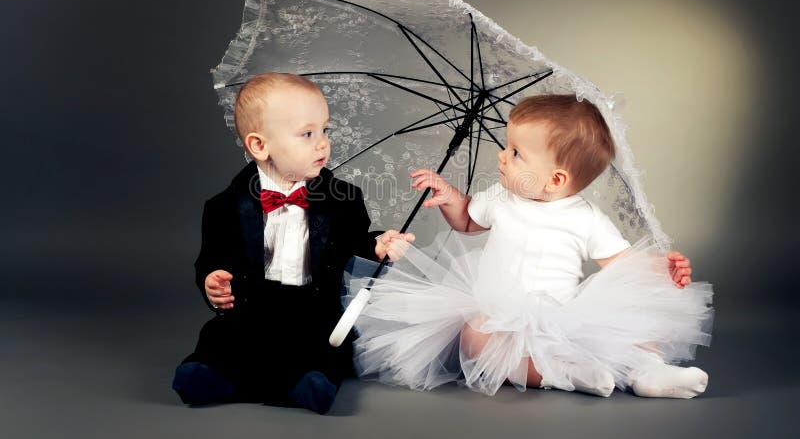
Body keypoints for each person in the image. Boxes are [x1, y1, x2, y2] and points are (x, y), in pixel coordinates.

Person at [349, 94, 713, 399]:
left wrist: (657, 266)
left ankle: (650, 371)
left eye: (517, 153)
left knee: (629, 328)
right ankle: (566, 375)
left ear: (556, 179)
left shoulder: (586, 218)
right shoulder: (501, 196)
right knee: (475, 338)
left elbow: (620, 262)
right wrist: (448, 197)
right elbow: (468, 221)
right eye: (507, 147)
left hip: (561, 316)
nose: (502, 156)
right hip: (495, 313)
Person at [172, 72, 413, 413]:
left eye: (325, 130)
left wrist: (377, 245)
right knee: (221, 340)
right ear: (259, 145)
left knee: (324, 345)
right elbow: (212, 258)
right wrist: (213, 282)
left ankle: (306, 384)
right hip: (250, 309)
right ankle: (216, 377)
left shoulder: (342, 200)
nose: (322, 144)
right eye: (307, 134)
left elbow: (354, 245)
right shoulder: (224, 206)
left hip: (312, 310)